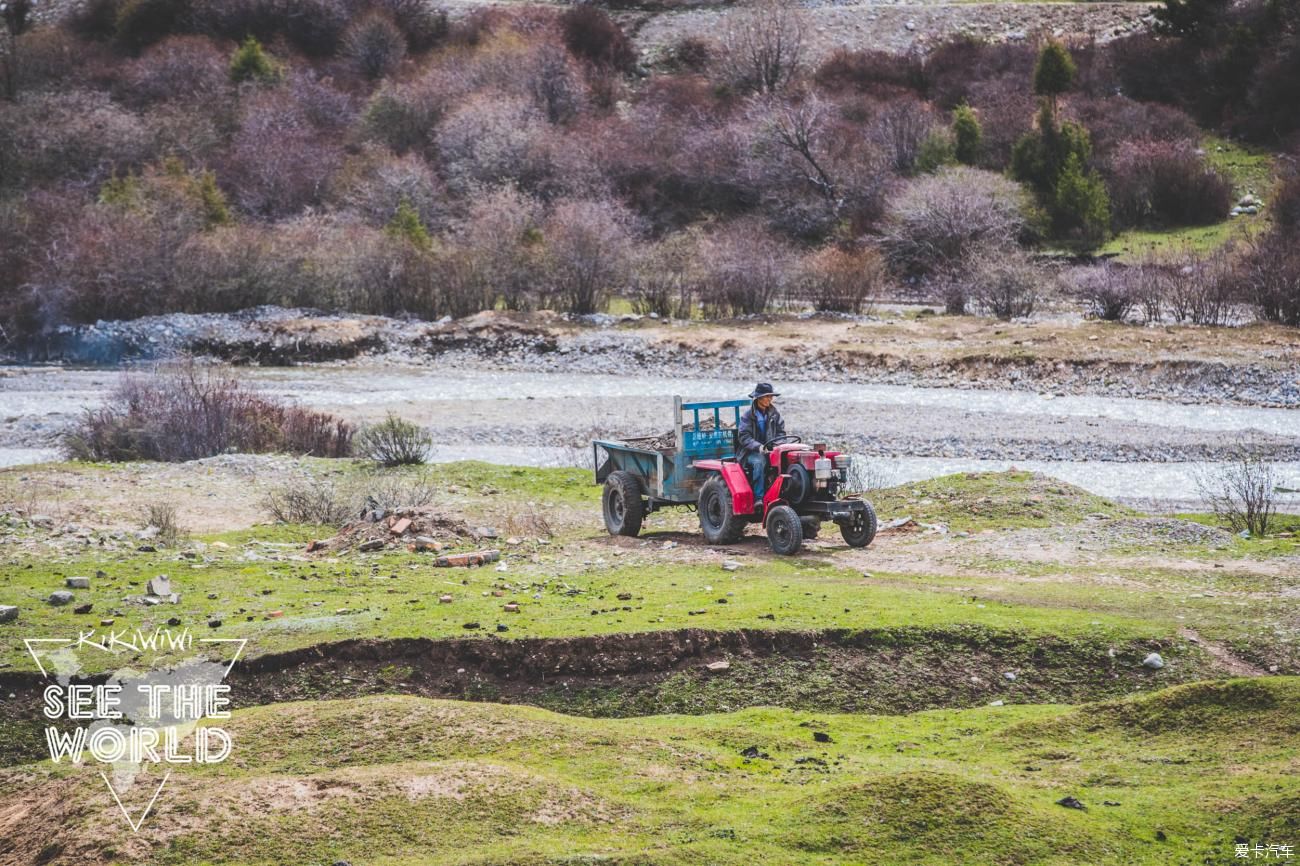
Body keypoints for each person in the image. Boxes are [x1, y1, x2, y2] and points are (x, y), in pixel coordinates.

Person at [737, 383, 786, 506]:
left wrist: (777, 445)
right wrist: (758, 447)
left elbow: (781, 433)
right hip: (750, 452)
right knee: (759, 462)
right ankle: (759, 498)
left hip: (771, 450)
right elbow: (744, 437)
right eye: (767, 396)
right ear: (758, 398)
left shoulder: (774, 414)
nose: (770, 399)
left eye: (771, 396)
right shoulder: (748, 416)